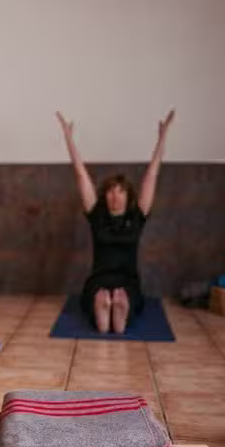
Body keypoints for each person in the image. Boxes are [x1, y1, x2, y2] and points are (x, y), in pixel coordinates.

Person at [56, 110, 175, 334]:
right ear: (104, 195)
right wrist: (68, 138)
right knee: (94, 294)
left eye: (120, 191)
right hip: (98, 280)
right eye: (110, 191)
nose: (115, 196)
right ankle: (102, 309)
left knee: (128, 295)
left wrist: (162, 139)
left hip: (127, 281)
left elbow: (151, 176)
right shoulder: (97, 214)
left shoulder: (137, 216)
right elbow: (81, 175)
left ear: (129, 196)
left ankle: (120, 310)